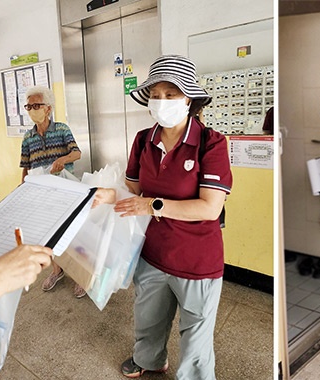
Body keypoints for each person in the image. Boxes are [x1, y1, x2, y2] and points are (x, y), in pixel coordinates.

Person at [94, 55, 232, 379]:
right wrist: (108, 194)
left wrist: (152, 205)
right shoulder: (143, 139)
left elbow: (210, 207)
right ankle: (150, 359)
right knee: (149, 318)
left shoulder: (211, 144)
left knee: (196, 337)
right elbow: (132, 191)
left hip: (197, 259)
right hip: (152, 253)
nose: (162, 101)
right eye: (156, 94)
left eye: (171, 94)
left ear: (189, 100)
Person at [19, 85, 85, 298]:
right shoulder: (28, 137)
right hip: (41, 194)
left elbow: (77, 153)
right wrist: (23, 189)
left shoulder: (62, 129)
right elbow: (25, 167)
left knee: (71, 235)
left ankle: (80, 276)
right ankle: (57, 271)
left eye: (36, 105)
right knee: (49, 236)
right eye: (29, 106)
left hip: (66, 191)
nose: (32, 110)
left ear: (48, 108)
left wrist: (63, 159)